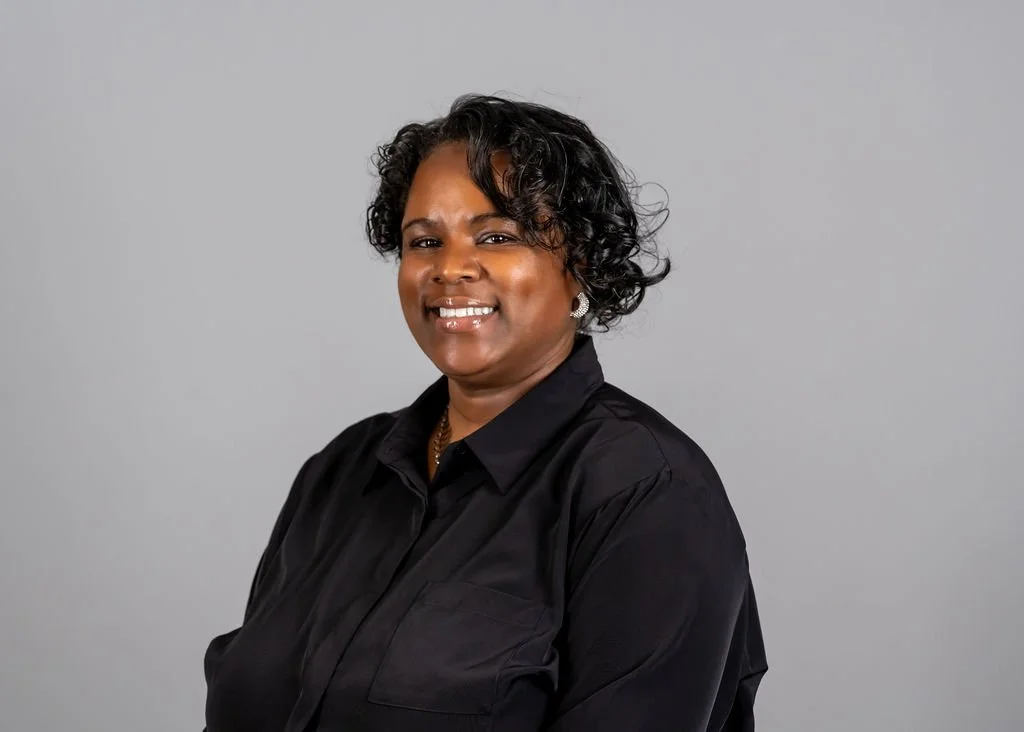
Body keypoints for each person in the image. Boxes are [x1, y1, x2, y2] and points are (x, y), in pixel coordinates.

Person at [202, 94, 767, 732]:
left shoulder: (647, 491)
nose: (449, 269)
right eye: (424, 242)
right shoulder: (341, 471)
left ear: (579, 263)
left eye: (496, 236)